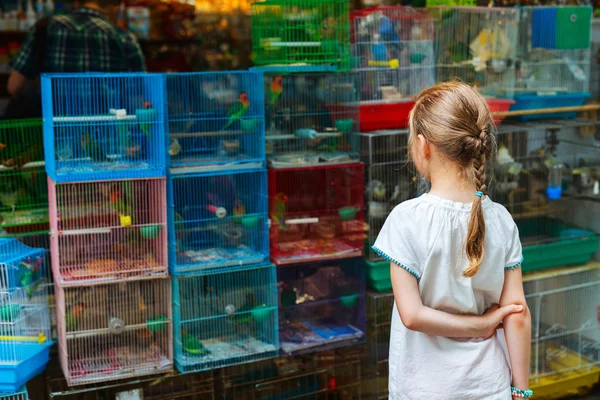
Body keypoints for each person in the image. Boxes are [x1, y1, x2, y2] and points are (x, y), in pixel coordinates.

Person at [373, 81, 531, 399]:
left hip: (422, 389)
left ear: (423, 146)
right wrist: (521, 390)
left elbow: (413, 315)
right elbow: (518, 314)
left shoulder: (406, 220)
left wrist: (481, 324)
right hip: (489, 386)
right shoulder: (501, 219)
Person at [5, 1, 145, 117]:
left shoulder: (45, 27)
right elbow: (139, 97)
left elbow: (14, 86)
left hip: (49, 132)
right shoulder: (124, 38)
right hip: (107, 138)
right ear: (115, 7)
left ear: (76, 2)